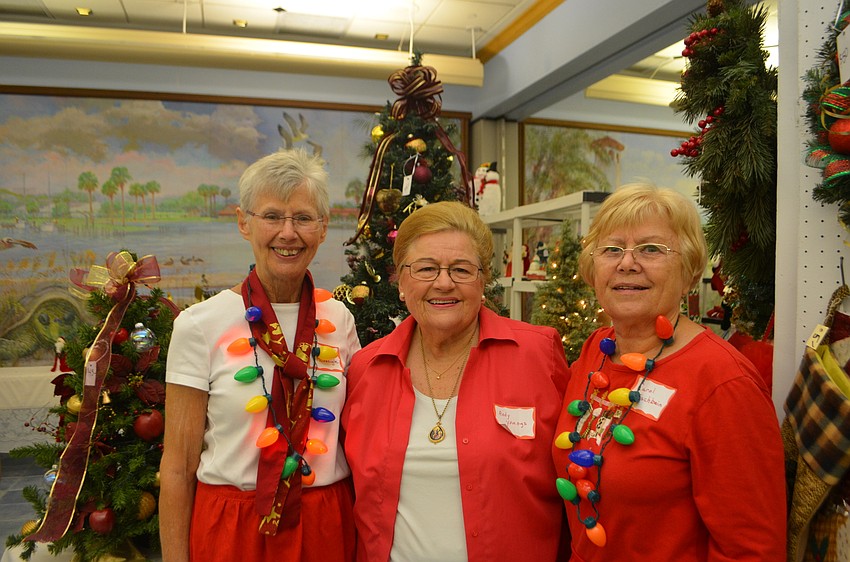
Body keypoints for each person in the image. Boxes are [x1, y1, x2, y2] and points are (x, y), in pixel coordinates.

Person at [552, 183, 785, 561]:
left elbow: (752, 549)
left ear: (690, 271)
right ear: (592, 268)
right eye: (612, 249)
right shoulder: (598, 347)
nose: (627, 263)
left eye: (651, 249)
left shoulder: (722, 383)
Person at [160, 148, 359, 562]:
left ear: (322, 229)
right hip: (232, 526)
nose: (288, 233)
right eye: (272, 216)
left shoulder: (339, 319)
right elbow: (178, 467)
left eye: (303, 218)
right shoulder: (199, 325)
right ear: (243, 223)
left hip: (325, 522)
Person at [342, 201, 570, 561]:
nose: (444, 283)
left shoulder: (538, 355)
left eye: (461, 270)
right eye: (426, 269)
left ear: (483, 282)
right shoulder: (366, 369)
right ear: (401, 282)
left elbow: (576, 477)